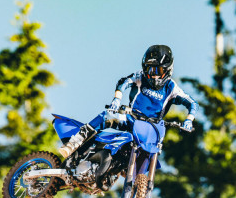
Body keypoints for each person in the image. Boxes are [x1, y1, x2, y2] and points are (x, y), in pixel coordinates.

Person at [58, 45, 199, 185]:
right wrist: (116, 99)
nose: (154, 74)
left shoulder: (171, 88)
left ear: (168, 69)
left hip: (151, 128)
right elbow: (123, 82)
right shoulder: (140, 76)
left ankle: (119, 170)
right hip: (131, 119)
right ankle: (74, 142)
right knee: (107, 115)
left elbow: (192, 103)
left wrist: (189, 119)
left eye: (158, 70)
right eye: (150, 69)